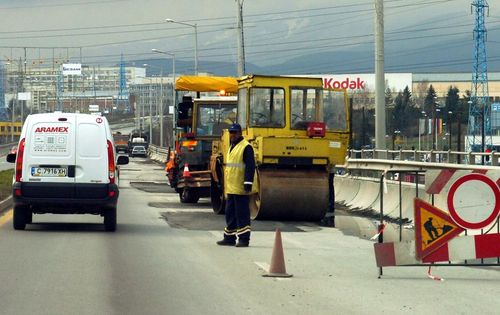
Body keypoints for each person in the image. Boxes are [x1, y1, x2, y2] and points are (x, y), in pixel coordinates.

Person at [217, 123, 256, 247]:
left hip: (240, 187)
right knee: (230, 213)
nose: (232, 135)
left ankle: (244, 239)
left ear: (240, 133)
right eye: (231, 132)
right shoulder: (231, 146)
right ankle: (229, 237)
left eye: (234, 132)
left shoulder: (246, 147)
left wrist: (248, 182)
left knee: (242, 214)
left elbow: (250, 166)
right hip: (231, 187)